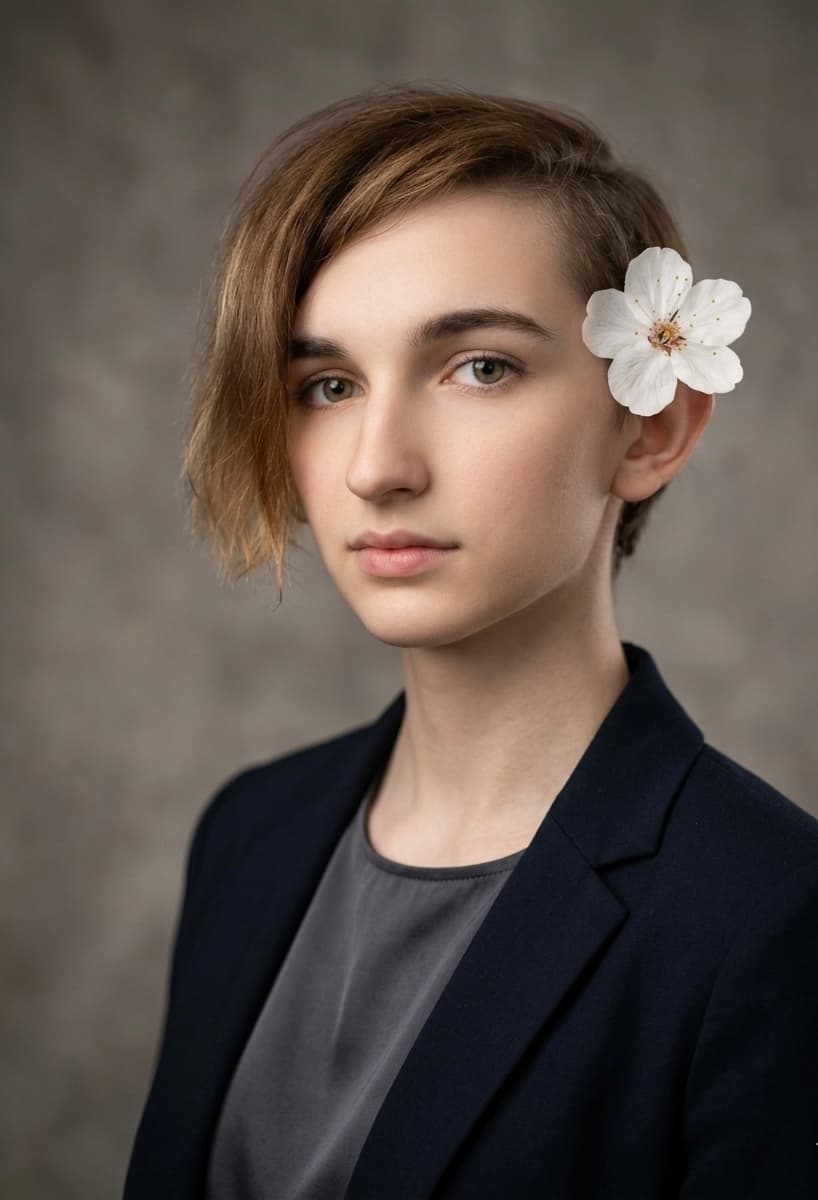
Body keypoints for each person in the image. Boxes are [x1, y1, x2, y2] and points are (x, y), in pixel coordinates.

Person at [123, 84, 818, 1199]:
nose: (374, 465)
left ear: (650, 426)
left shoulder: (768, 915)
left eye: (477, 366)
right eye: (327, 384)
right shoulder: (248, 834)